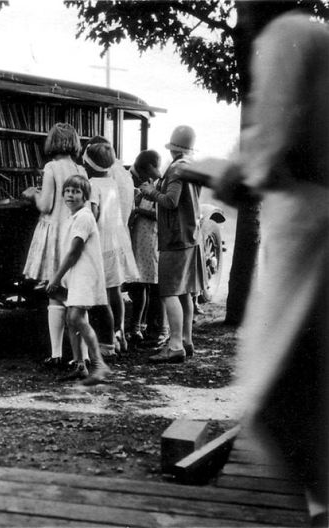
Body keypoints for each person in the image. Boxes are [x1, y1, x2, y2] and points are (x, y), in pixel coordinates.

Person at [213, 12, 328, 524]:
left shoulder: (290, 35)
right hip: (309, 228)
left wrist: (240, 171)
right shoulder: (314, 36)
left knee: (286, 395)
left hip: (313, 234)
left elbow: (274, 144)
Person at [22, 123, 87, 368]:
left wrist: (32, 194)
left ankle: (57, 353)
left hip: (54, 234)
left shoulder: (51, 167)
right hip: (73, 233)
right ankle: (82, 355)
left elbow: (46, 205)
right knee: (74, 293)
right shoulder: (80, 168)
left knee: (55, 295)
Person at [139, 125, 204, 364]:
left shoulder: (176, 168)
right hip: (190, 236)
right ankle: (186, 340)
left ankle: (175, 345)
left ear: (173, 148)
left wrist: (149, 192)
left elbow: (170, 201)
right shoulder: (193, 168)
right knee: (185, 291)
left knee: (168, 293)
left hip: (174, 238)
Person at [47, 174, 110, 383]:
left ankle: (99, 365)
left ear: (85, 196)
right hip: (76, 274)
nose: (70, 195)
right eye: (67, 191)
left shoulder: (84, 216)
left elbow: (74, 251)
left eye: (76, 192)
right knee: (70, 319)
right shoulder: (72, 217)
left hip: (85, 273)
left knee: (75, 318)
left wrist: (56, 278)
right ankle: (79, 365)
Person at [82, 141, 139, 357]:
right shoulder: (113, 182)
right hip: (116, 241)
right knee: (114, 291)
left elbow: (93, 214)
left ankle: (106, 343)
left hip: (101, 242)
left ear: (89, 164)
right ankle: (119, 333)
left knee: (100, 295)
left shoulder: (92, 184)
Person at [128, 150, 163, 345]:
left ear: (150, 169)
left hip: (151, 241)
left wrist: (138, 210)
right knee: (141, 284)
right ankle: (140, 327)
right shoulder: (149, 186)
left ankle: (154, 328)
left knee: (151, 286)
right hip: (141, 241)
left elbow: (160, 213)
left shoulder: (159, 187)